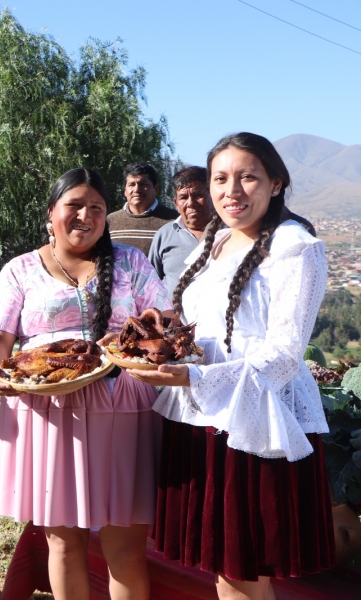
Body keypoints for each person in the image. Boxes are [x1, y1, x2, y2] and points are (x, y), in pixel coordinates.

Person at [136, 133, 335, 600]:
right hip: (203, 416)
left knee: (242, 574)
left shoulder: (294, 247)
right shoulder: (217, 240)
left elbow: (284, 355)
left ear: (276, 183)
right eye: (220, 179)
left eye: (248, 177)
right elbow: (201, 326)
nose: (231, 191)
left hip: (255, 423)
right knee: (227, 573)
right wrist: (155, 334)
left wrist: (195, 376)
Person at [0, 167, 170, 600]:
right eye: (75, 205)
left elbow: (165, 323)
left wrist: (141, 337)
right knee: (63, 545)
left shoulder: (131, 262)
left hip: (123, 407)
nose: (86, 216)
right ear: (51, 212)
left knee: (127, 549)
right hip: (48, 412)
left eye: (97, 208)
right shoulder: (20, 271)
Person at [148, 166, 213, 296]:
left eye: (198, 195)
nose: (191, 203)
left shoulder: (230, 232)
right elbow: (151, 282)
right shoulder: (164, 235)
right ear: (176, 203)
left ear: (212, 195)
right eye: (183, 197)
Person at [107, 163, 178, 255]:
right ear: (125, 190)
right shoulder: (110, 221)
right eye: (131, 184)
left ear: (156, 189)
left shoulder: (174, 221)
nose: (137, 189)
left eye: (143, 184)